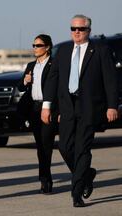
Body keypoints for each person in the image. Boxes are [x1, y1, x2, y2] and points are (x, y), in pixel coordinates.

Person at [42, 14, 118, 207]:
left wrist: (112, 106)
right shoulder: (64, 51)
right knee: (65, 147)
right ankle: (87, 174)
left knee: (82, 149)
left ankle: (76, 193)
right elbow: (53, 79)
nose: (76, 32)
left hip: (90, 108)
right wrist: (47, 106)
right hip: (67, 107)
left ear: (88, 31)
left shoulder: (100, 50)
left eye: (81, 29)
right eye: (73, 28)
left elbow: (110, 80)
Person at [17, 34, 57, 194]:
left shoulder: (54, 65)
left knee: (47, 145)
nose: (35, 48)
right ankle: (44, 178)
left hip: (48, 109)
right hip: (34, 109)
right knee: (40, 146)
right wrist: (26, 81)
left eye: (38, 45)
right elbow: (20, 87)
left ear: (47, 47)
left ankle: (46, 180)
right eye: (33, 45)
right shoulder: (31, 65)